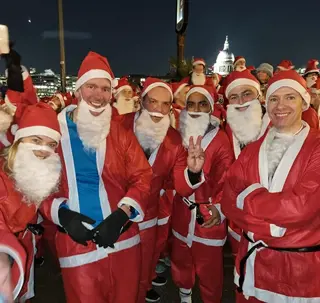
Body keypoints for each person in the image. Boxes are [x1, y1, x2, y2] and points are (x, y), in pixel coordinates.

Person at [40, 51, 153, 303]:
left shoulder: (119, 131)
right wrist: (63, 215)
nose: (98, 95)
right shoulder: (53, 131)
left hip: (122, 240)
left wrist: (123, 213)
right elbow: (37, 182)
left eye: (104, 88)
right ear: (79, 90)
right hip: (76, 244)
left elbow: (142, 175)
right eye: (91, 86)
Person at [222, 70, 320, 303]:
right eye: (274, 99)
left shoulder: (316, 147)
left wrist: (248, 198)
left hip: (298, 272)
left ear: (304, 102)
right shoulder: (254, 149)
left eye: (290, 97)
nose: (280, 105)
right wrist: (275, 227)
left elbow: (302, 208)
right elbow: (228, 199)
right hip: (253, 266)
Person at [118, 77, 205, 303]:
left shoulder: (174, 139)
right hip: (114, 211)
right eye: (153, 102)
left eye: (166, 104)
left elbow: (181, 186)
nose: (158, 109)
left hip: (149, 214)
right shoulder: (118, 124)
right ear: (141, 101)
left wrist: (193, 172)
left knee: (144, 267)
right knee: (116, 272)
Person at [171, 85, 234, 303]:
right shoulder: (180, 136)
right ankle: (184, 296)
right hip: (181, 211)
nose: (196, 109)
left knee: (210, 269)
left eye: (202, 104)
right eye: (191, 104)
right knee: (181, 260)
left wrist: (219, 208)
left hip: (209, 215)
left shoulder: (221, 139)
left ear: (211, 107)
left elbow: (227, 180)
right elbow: (175, 176)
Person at [0, 103, 62, 302]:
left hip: (24, 247)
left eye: (51, 144)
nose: (43, 150)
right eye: (36, 140)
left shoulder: (38, 169)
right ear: (19, 139)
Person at [223, 70, 268, 255]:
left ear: (259, 95)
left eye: (247, 93)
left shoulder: (275, 124)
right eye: (234, 96)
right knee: (239, 267)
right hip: (238, 217)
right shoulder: (229, 125)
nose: (241, 101)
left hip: (268, 218)